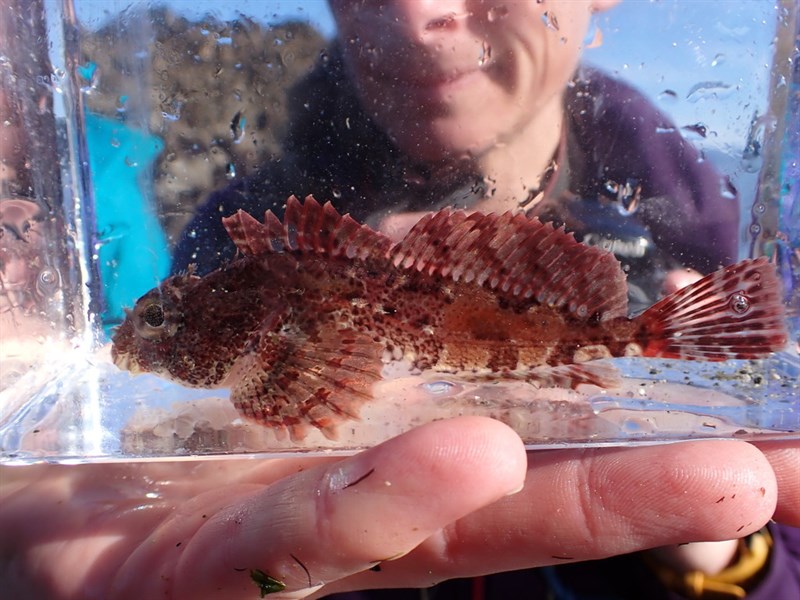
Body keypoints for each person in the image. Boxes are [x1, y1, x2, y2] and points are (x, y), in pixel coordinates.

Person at [2, 1, 798, 599]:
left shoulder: (700, 237)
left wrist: (719, 553)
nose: (421, 17)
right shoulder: (226, 240)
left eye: (168, 321)